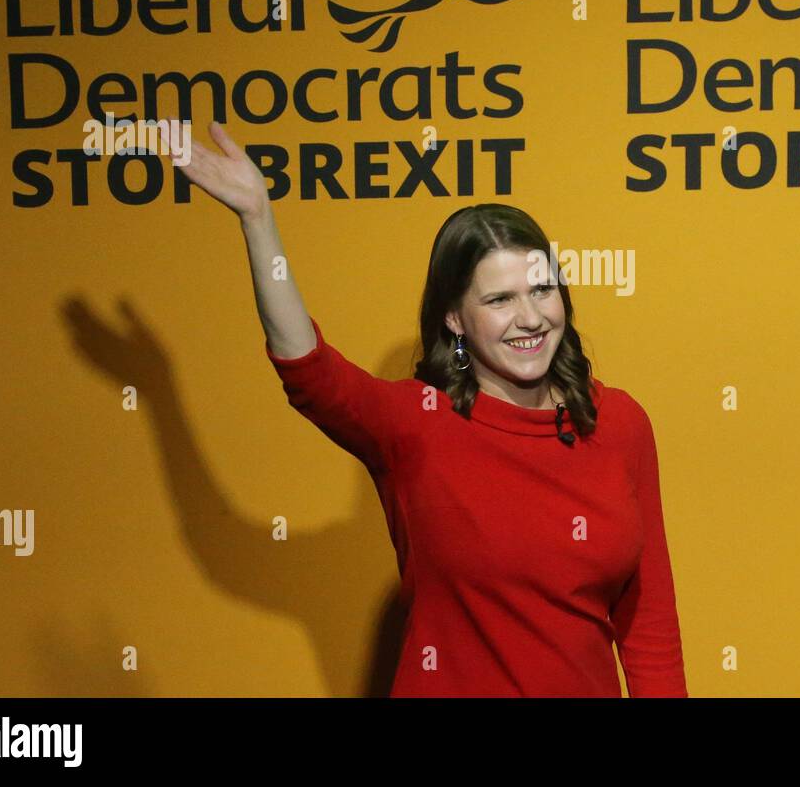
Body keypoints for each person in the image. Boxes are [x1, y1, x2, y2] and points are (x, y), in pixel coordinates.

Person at [175, 118, 688, 697]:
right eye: (499, 300)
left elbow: (649, 626)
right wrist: (257, 219)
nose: (530, 318)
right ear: (455, 319)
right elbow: (308, 368)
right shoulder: (418, 422)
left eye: (541, 291)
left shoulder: (619, 423)